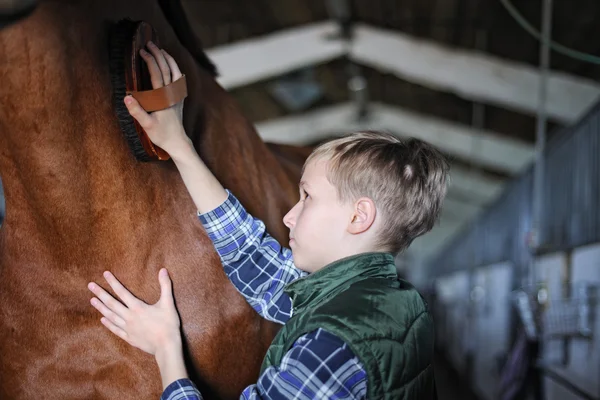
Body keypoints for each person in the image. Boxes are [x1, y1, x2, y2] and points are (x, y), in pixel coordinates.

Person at [87, 41, 448, 399]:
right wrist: (180, 147)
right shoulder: (383, 301)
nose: (290, 216)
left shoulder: (332, 348)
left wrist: (165, 348)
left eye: (307, 196)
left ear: (359, 216)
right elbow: (257, 263)